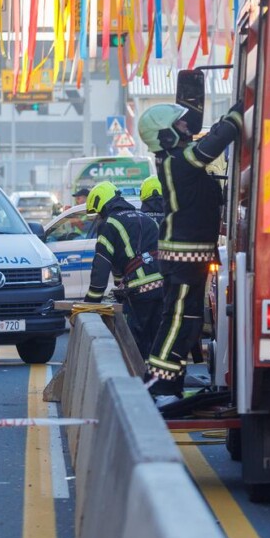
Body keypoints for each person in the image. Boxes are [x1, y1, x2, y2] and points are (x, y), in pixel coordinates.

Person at [137, 99, 243, 400]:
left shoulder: (176, 160)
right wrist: (241, 108)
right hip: (183, 258)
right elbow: (215, 141)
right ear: (166, 134)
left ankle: (170, 381)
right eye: (181, 124)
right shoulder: (178, 161)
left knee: (189, 321)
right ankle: (158, 385)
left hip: (188, 257)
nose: (188, 127)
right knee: (178, 321)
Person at [81, 181, 164, 356]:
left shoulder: (109, 223)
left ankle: (142, 381)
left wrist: (91, 301)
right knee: (158, 343)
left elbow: (102, 263)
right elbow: (124, 260)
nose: (99, 218)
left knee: (137, 345)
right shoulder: (145, 218)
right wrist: (120, 285)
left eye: (98, 213)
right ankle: (160, 380)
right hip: (164, 288)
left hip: (140, 291)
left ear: (101, 203)